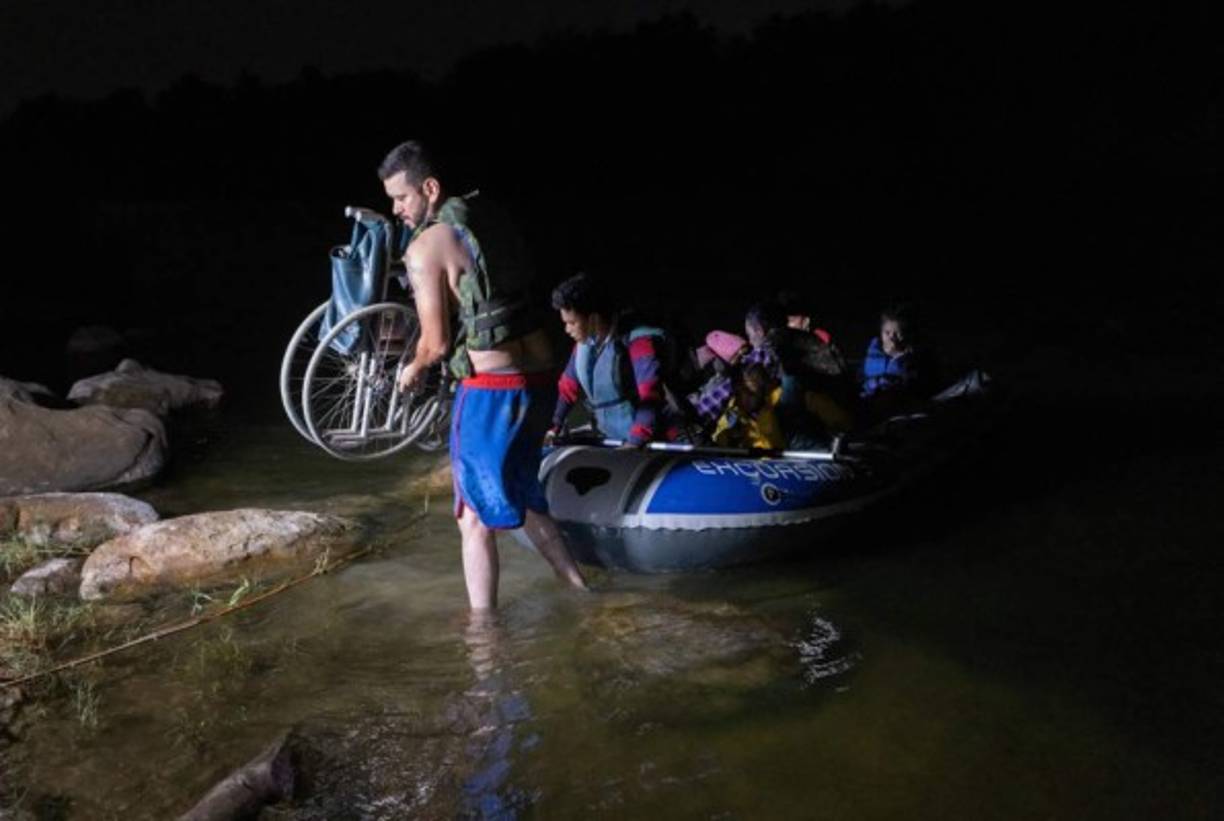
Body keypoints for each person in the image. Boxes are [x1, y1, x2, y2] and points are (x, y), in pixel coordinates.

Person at [381, 140, 587, 610]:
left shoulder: (424, 248)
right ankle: (579, 591)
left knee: (471, 517)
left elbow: (434, 345)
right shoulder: (487, 216)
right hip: (540, 381)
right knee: (526, 494)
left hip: (493, 391)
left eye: (401, 197)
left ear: (429, 188)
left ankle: (485, 636)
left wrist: (410, 370)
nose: (396, 210)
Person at [548, 273, 682, 446]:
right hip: (610, 436)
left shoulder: (640, 343)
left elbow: (650, 396)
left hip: (653, 438)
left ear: (594, 319)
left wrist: (635, 441)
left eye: (572, 323)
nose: (567, 329)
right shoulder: (585, 344)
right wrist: (553, 427)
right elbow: (567, 389)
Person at [860, 303, 933, 419]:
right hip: (869, 400)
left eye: (897, 333)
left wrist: (899, 359)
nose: (891, 338)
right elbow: (864, 379)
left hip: (897, 406)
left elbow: (916, 386)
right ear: (881, 332)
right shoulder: (874, 350)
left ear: (906, 334)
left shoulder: (913, 356)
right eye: (887, 333)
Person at [711, 363, 785, 449]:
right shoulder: (733, 411)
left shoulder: (779, 402)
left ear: (764, 386)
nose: (743, 396)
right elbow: (717, 439)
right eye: (739, 391)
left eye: (749, 391)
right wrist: (729, 436)